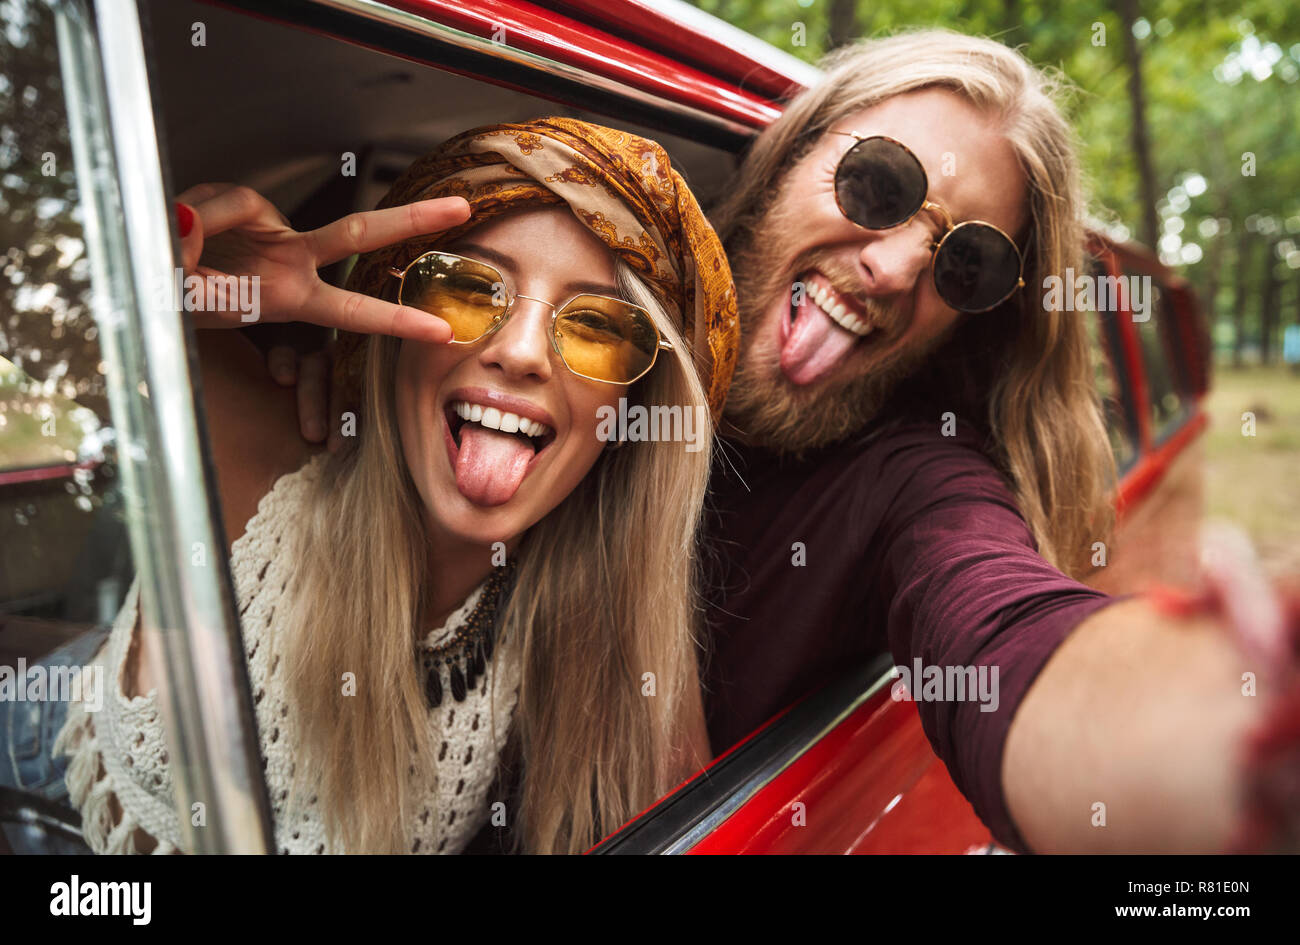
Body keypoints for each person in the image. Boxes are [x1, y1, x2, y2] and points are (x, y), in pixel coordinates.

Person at [272, 33, 1297, 853]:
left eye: (968, 263)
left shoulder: (914, 482)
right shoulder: (600, 304)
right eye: (880, 185)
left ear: (974, 316)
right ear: (785, 157)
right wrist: (343, 369)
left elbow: (1001, 628)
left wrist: (1243, 723)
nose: (896, 267)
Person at [45, 117, 738, 855]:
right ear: (394, 325)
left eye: (600, 326)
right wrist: (155, 276)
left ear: (633, 407)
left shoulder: (608, 602)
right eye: (467, 288)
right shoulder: (268, 448)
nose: (521, 352)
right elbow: (46, 340)